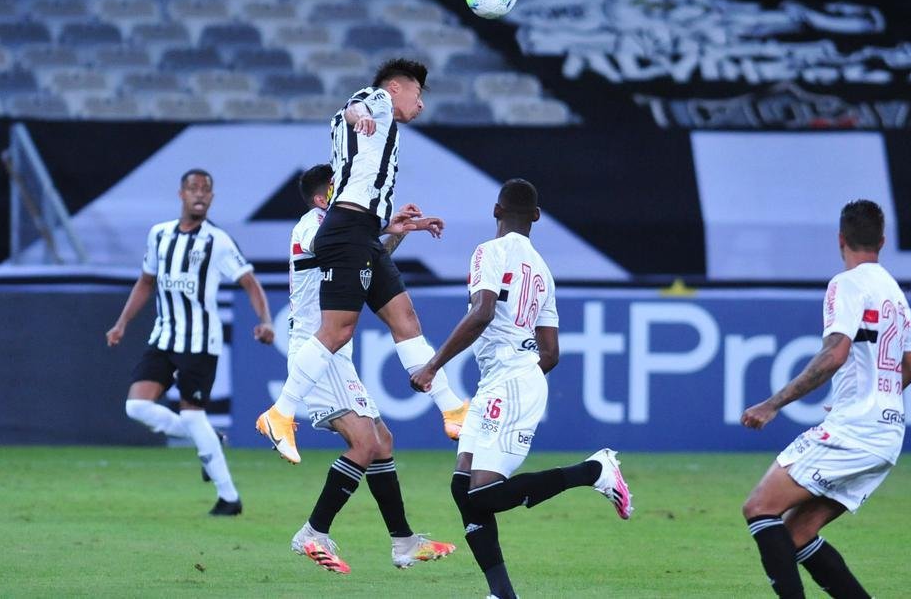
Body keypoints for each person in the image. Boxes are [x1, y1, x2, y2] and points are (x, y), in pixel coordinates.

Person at [409, 178, 633, 599]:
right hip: (505, 381)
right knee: (463, 489)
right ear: (537, 216)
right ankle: (502, 594)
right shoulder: (543, 271)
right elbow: (551, 353)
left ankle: (594, 470)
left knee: (484, 494)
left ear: (496, 211)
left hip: (508, 383)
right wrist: (521, 374)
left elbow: (482, 313)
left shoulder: (488, 252)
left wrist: (433, 366)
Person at [257, 58, 468, 464]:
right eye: (418, 93)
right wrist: (362, 116)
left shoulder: (380, 121)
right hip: (348, 229)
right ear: (395, 87)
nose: (421, 104)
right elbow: (357, 106)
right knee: (337, 331)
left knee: (405, 319)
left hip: (362, 229)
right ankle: (280, 413)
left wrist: (393, 225)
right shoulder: (378, 101)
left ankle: (452, 408)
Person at [740, 199, 911, 598]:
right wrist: (868, 395)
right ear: (882, 241)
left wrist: (773, 404)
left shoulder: (847, 284)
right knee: (798, 533)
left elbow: (835, 354)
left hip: (855, 430)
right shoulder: (894, 293)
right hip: (887, 436)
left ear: (840, 239)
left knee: (759, 507)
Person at [282, 163, 456, 574]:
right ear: (323, 197)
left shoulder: (344, 230)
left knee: (382, 441)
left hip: (337, 354)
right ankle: (312, 532)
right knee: (364, 442)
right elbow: (338, 248)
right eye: (339, 185)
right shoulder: (312, 226)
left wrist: (393, 234)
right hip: (318, 352)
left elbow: (363, 266)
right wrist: (378, 226)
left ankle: (404, 542)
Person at [107, 168, 275, 516]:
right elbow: (146, 282)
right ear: (181, 194)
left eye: (205, 189)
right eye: (193, 188)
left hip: (200, 342)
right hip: (164, 336)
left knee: (191, 414)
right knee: (136, 407)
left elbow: (250, 283)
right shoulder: (159, 235)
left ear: (211, 198)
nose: (199, 193)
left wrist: (266, 320)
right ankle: (209, 438)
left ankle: (229, 498)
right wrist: (122, 323)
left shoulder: (218, 241)